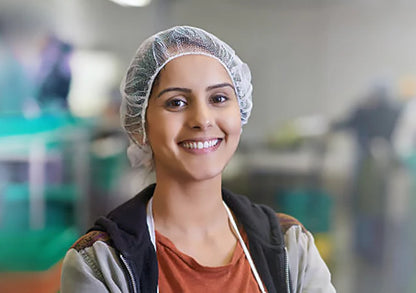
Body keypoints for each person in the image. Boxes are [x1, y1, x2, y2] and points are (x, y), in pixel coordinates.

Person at [61, 25, 336, 293]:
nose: (202, 120)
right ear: (139, 126)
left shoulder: (289, 248)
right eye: (176, 102)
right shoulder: (101, 263)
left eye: (218, 98)